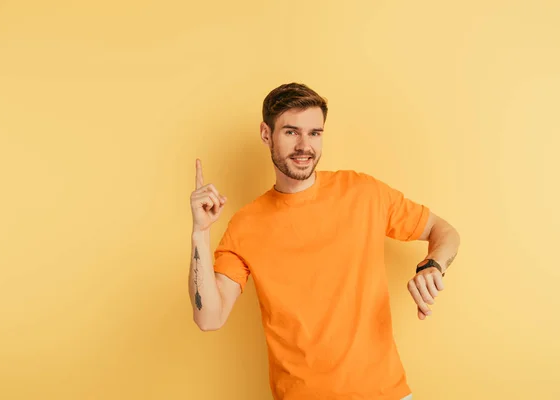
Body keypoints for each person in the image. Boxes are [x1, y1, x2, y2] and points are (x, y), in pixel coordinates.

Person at [188, 83, 461, 400]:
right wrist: (200, 232)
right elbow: (209, 317)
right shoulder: (245, 225)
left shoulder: (363, 192)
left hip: (386, 394)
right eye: (291, 132)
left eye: (315, 133)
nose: (305, 146)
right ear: (266, 134)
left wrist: (432, 265)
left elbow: (445, 232)